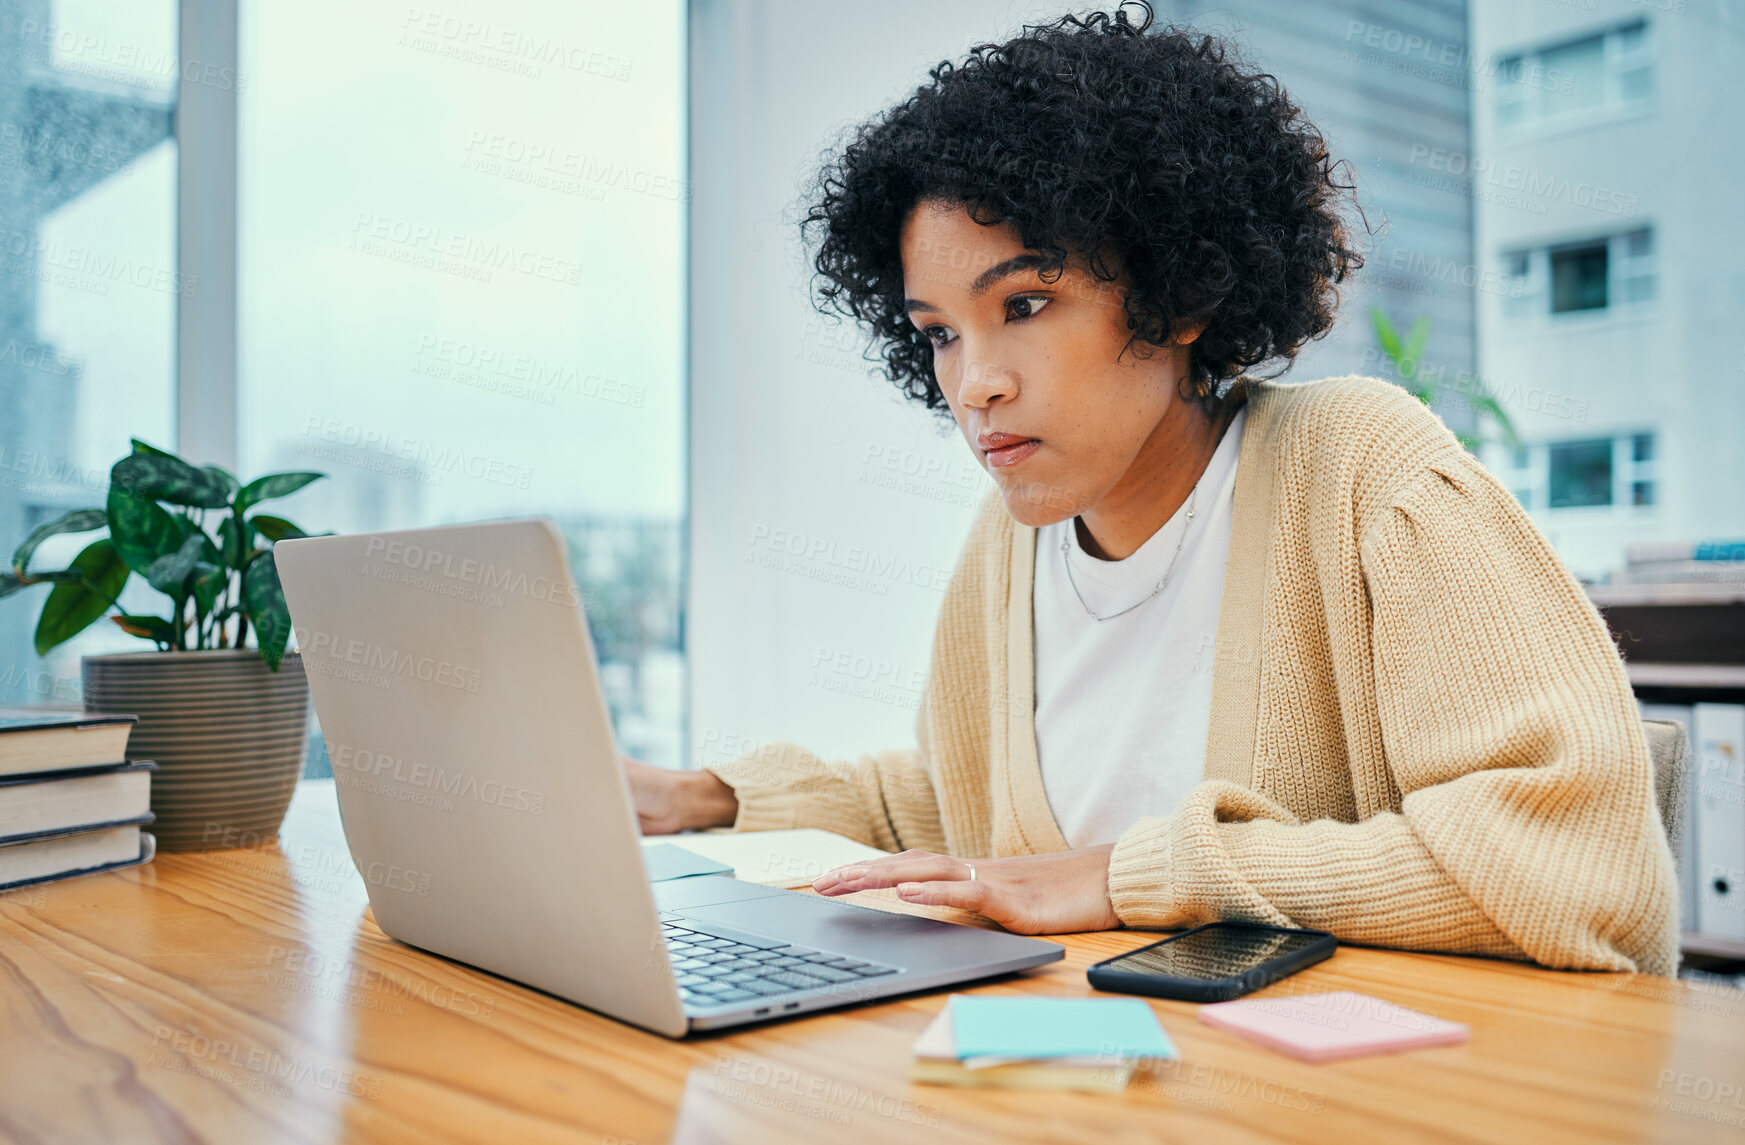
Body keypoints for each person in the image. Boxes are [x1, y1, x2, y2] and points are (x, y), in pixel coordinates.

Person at [625, 3, 1678, 975]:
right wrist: (707, 798)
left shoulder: (1363, 473)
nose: (972, 381)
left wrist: (1123, 873)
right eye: (938, 334)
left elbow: (1578, 864)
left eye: (1025, 302)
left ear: (1176, 296)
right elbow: (951, 803)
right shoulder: (1010, 543)